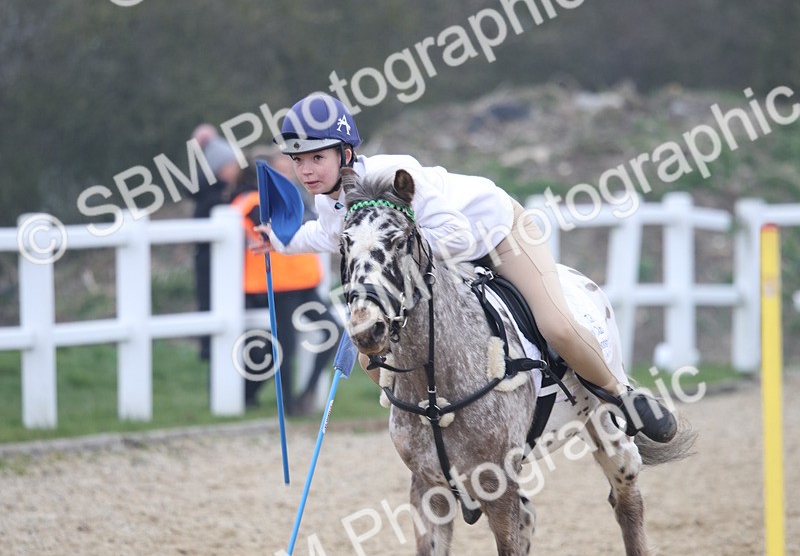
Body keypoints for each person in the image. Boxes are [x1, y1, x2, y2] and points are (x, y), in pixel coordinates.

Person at [253, 92, 677, 442]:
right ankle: (428, 424)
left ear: (345, 153)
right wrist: (281, 242)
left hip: (498, 233)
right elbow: (328, 235)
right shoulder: (331, 196)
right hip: (442, 258)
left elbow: (453, 233)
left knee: (556, 325)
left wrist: (398, 256)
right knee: (369, 350)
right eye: (298, 160)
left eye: (315, 158)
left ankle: (623, 398)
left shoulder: (396, 175)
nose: (305, 170)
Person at [231, 151, 338, 413]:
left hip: (304, 283)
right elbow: (274, 228)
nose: (289, 174)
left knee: (333, 331)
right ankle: (287, 406)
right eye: (280, 170)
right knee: (284, 348)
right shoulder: (252, 202)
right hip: (278, 286)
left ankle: (306, 393)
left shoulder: (296, 199)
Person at [192, 123, 241, 360]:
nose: (235, 169)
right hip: (210, 264)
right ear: (219, 169)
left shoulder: (219, 194)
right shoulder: (215, 199)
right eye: (231, 165)